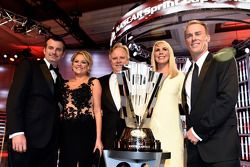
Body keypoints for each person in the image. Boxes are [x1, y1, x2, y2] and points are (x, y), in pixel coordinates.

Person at [182, 20, 240, 167]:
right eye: (189, 35)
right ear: (186, 41)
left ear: (207, 37)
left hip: (220, 151)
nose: (193, 38)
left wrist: (197, 131)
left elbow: (226, 99)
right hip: (194, 154)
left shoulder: (223, 60)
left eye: (197, 34)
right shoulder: (188, 73)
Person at [6, 36, 65, 167]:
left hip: (50, 143)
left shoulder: (60, 78)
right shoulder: (29, 66)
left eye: (58, 49)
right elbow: (14, 99)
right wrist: (16, 132)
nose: (53, 52)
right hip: (26, 139)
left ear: (62, 54)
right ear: (44, 50)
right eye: (50, 48)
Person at [58, 50, 103, 167]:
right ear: (72, 64)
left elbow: (97, 111)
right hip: (66, 131)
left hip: (86, 130)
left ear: (88, 66)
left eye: (83, 62)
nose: (79, 64)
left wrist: (98, 139)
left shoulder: (94, 82)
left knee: (84, 163)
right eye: (76, 61)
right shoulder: (64, 84)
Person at [148, 40, 185, 167]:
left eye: (164, 49)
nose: (161, 52)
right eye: (157, 50)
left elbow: (187, 105)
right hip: (151, 132)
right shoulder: (148, 77)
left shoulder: (179, 76)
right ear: (153, 55)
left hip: (172, 132)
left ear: (170, 53)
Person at [99, 43, 129, 166]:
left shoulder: (137, 81)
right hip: (106, 139)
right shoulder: (100, 82)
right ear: (110, 59)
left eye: (121, 58)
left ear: (127, 59)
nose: (118, 61)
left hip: (129, 139)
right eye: (115, 58)